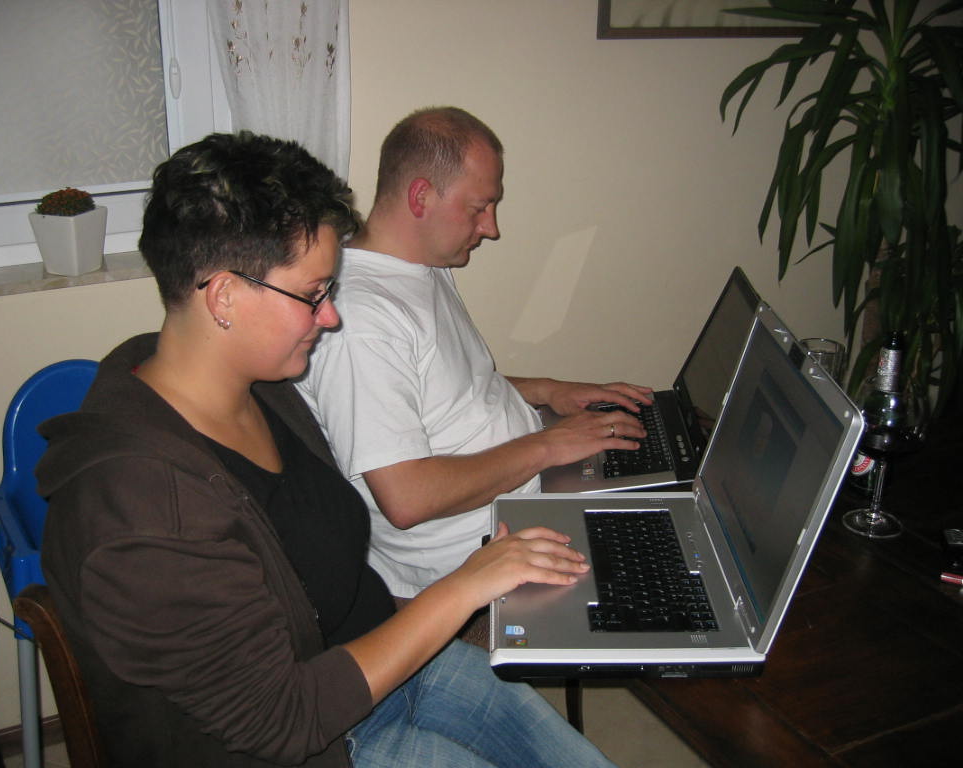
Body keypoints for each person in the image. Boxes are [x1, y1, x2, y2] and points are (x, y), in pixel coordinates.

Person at [36, 131, 618, 768]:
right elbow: (281, 720)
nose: (331, 318)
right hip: (314, 742)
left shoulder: (261, 387)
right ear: (224, 297)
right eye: (313, 295)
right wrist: (466, 586)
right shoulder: (144, 512)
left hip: (382, 660)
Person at [296, 106, 653, 600]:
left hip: (530, 487)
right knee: (672, 577)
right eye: (479, 208)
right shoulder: (362, 322)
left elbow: (444, 389)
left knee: (680, 472)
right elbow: (407, 499)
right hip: (481, 551)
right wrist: (550, 446)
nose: (491, 227)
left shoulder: (421, 265)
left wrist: (548, 391)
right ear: (421, 197)